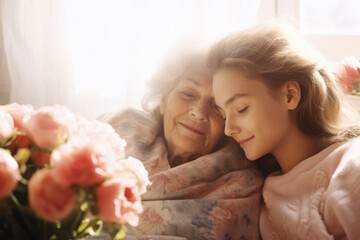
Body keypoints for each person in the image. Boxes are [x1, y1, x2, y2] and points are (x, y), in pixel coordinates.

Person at [98, 38, 264, 240]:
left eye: (216, 105)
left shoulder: (242, 184)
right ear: (164, 100)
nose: (199, 112)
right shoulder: (116, 129)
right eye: (187, 93)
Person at [207, 22, 360, 239]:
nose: (228, 129)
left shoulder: (350, 167)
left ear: (289, 95)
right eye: (223, 115)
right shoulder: (265, 193)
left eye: (241, 108)